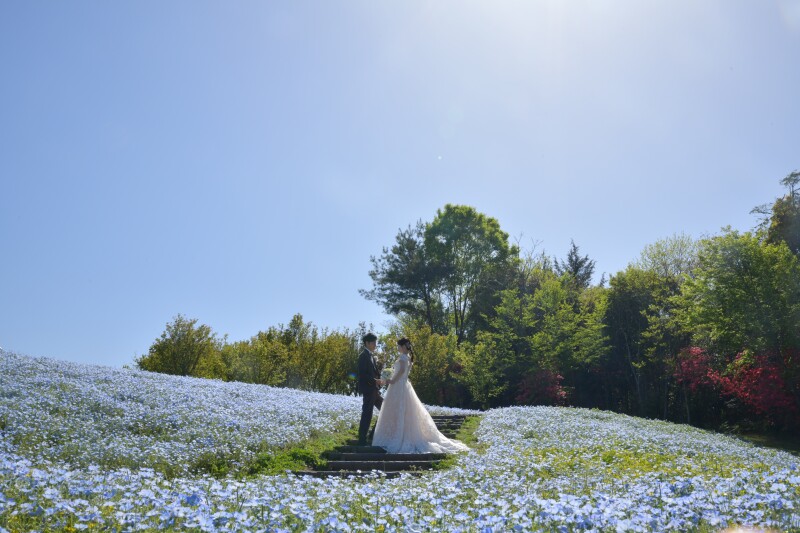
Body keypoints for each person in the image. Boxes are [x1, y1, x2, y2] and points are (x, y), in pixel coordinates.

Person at [372, 338, 469, 453]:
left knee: (399, 410)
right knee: (404, 411)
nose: (397, 348)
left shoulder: (403, 358)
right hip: (403, 385)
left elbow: (402, 371)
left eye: (398, 346)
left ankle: (397, 436)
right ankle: (398, 434)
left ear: (403, 346)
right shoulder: (407, 357)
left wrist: (391, 381)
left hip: (398, 386)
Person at [357, 332, 383, 445]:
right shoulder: (363, 356)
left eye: (375, 342)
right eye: (373, 342)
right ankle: (362, 439)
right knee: (367, 413)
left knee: (386, 409)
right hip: (368, 389)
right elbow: (362, 374)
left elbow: (374, 373)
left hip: (375, 390)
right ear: (367, 343)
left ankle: (373, 435)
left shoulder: (371, 356)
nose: (375, 345)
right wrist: (374, 381)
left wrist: (380, 380)